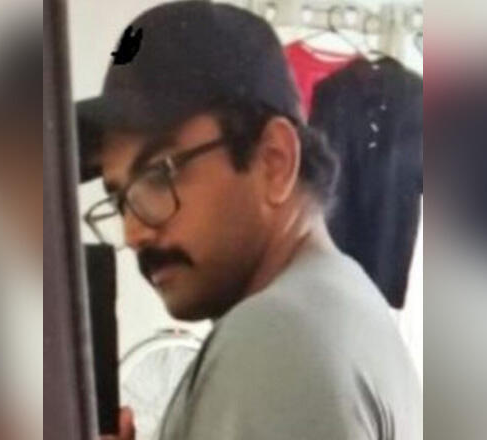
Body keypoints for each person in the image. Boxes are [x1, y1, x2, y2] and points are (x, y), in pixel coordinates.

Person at [79, 2, 422, 439]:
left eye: (158, 176)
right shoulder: (348, 304)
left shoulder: (275, 338)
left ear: (274, 161)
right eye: (120, 199)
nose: (133, 233)